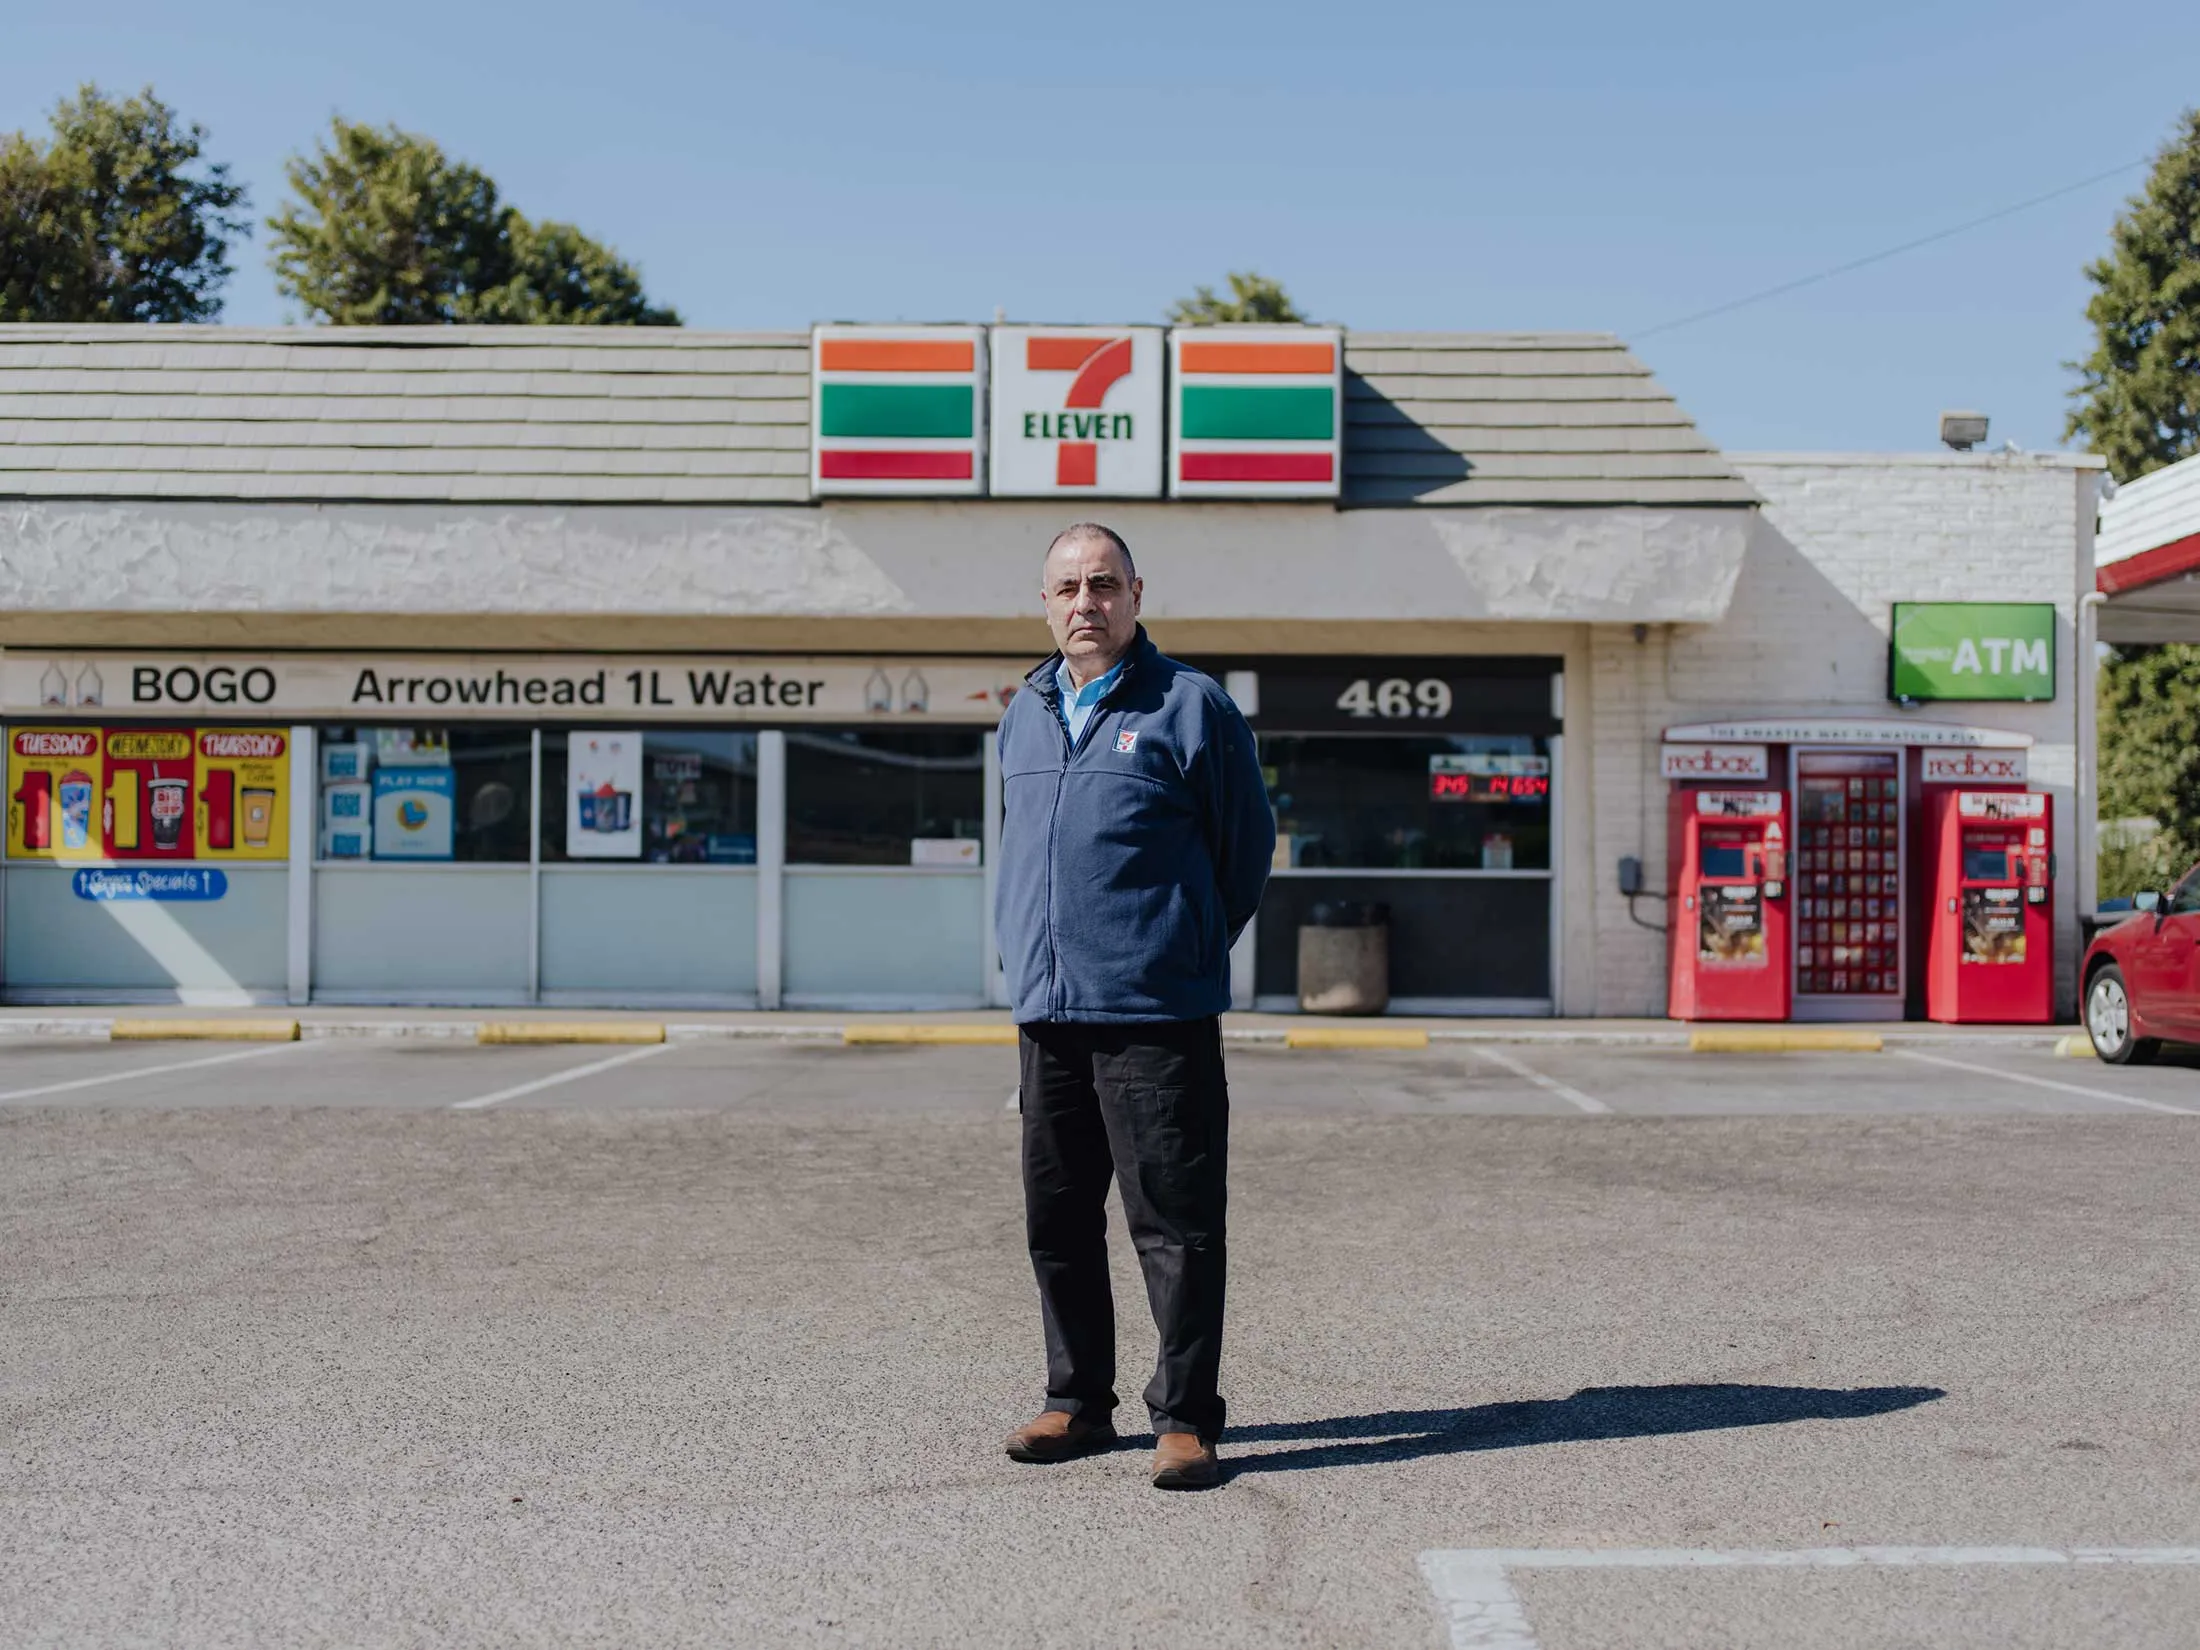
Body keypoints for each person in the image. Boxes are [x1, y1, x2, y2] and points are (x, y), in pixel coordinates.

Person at [993, 522, 1275, 1491]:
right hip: (1049, 1015)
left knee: (1175, 1228)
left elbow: (1243, 852)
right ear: (1045, 603)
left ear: (1136, 595)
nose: (1087, 602)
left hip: (1157, 1015)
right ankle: (1076, 1402)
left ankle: (1186, 1419)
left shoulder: (1191, 707)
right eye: (1069, 587)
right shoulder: (1024, 714)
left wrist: (1179, 948)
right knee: (1058, 1221)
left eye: (1104, 584)